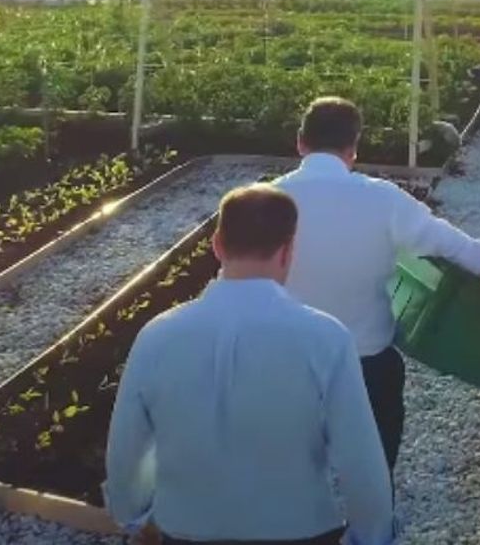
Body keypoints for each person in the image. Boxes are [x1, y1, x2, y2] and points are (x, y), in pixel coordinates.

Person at [105, 184, 394, 545]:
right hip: (300, 529)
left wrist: (132, 515)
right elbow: (360, 458)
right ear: (288, 251)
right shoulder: (325, 338)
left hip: (185, 526)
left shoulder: (157, 335)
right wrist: (372, 535)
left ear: (217, 245)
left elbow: (127, 448)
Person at [273, 97, 480, 477]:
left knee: (290, 464)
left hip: (287, 363)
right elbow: (456, 247)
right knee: (375, 459)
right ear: (353, 148)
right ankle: (374, 519)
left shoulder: (267, 200)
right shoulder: (381, 198)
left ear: (300, 142)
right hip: (364, 363)